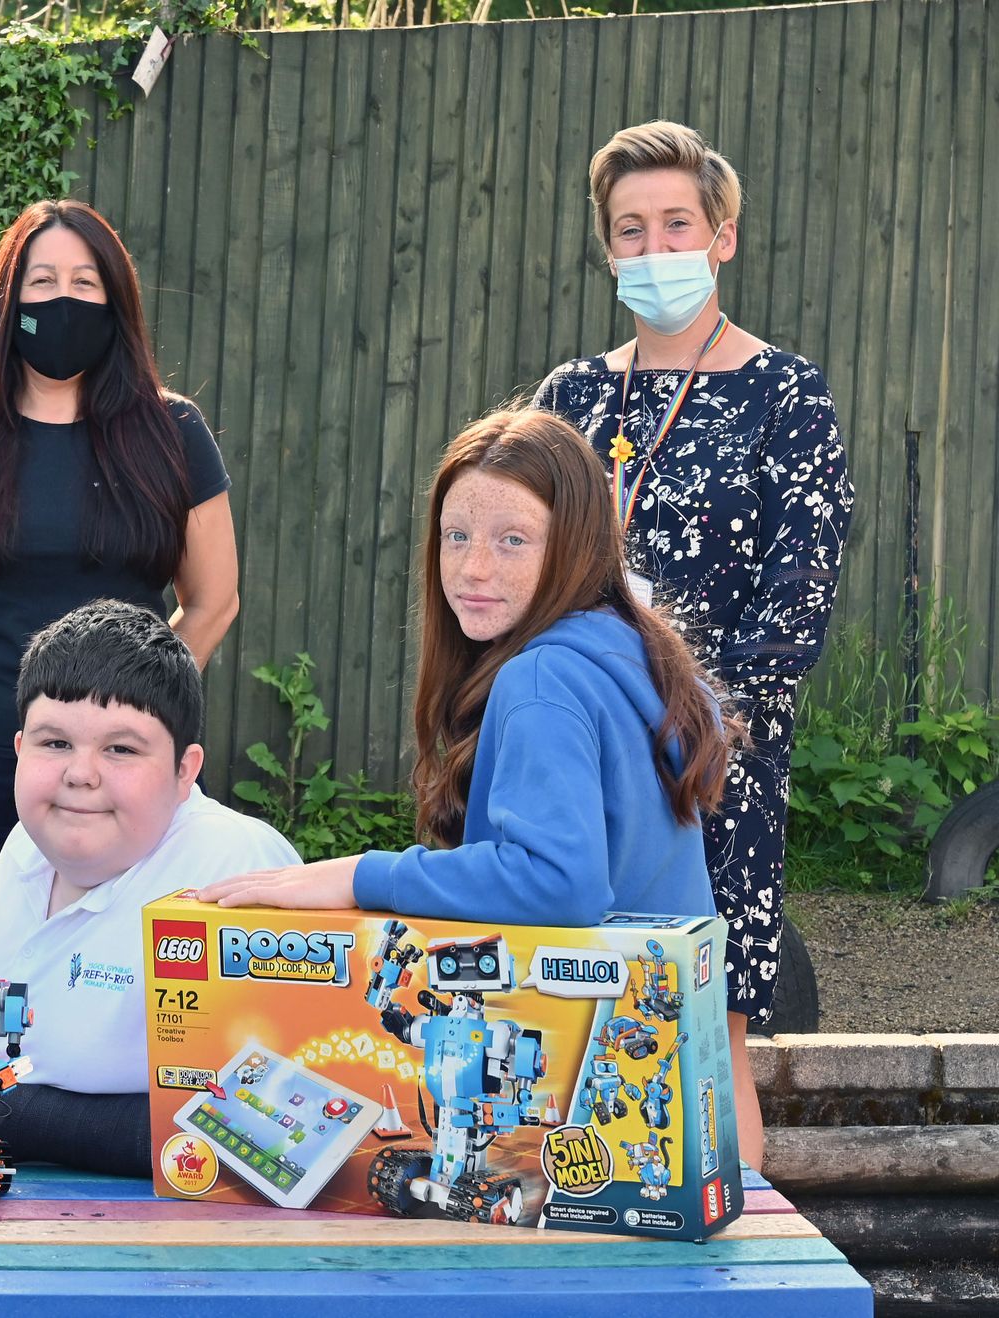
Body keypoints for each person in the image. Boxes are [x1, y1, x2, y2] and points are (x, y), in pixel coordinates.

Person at [532, 121, 853, 1166]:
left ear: (720, 236)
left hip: (712, 759)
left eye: (675, 223)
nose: (652, 245)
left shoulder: (785, 397)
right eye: (629, 229)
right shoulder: (568, 398)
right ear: (607, 249)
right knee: (559, 1021)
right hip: (572, 754)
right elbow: (510, 562)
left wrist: (712, 724)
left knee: (705, 1032)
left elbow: (799, 583)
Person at [200, 410, 738, 948]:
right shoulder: (629, 650)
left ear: (576, 544)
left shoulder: (541, 679)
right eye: (456, 535)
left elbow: (560, 884)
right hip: (662, 1020)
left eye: (513, 540)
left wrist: (362, 876)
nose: (472, 567)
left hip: (590, 1024)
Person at [0, 199, 240, 938]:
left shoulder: (171, 434)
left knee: (119, 979)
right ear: (8, 303)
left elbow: (213, 601)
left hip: (116, 774)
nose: (63, 300)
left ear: (116, 302)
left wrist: (141, 710)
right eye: (42, 282)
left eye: (85, 282)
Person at [0, 600, 298, 1176]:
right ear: (19, 750)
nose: (81, 773)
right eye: (55, 743)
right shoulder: (23, 844)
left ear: (185, 770)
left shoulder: (236, 867)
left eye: (121, 749)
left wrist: (11, 1116)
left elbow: (274, 1129)